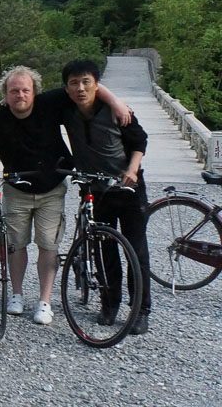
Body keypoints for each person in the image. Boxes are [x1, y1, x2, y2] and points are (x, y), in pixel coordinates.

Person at [0, 65, 130, 325]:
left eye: (25, 90)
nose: (20, 95)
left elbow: (84, 87)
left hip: (52, 187)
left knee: (48, 244)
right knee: (16, 244)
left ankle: (44, 301)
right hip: (16, 187)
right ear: (5, 94)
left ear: (34, 92)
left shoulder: (48, 103)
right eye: (14, 91)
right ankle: (17, 294)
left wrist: (116, 103)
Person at [59, 59, 151, 335]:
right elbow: (32, 98)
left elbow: (139, 141)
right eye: (74, 83)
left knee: (136, 249)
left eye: (86, 82)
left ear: (97, 84)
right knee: (104, 249)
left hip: (128, 187)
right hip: (95, 189)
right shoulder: (66, 109)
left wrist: (132, 170)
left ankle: (141, 310)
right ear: (67, 88)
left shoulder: (115, 111)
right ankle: (110, 304)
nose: (80, 88)